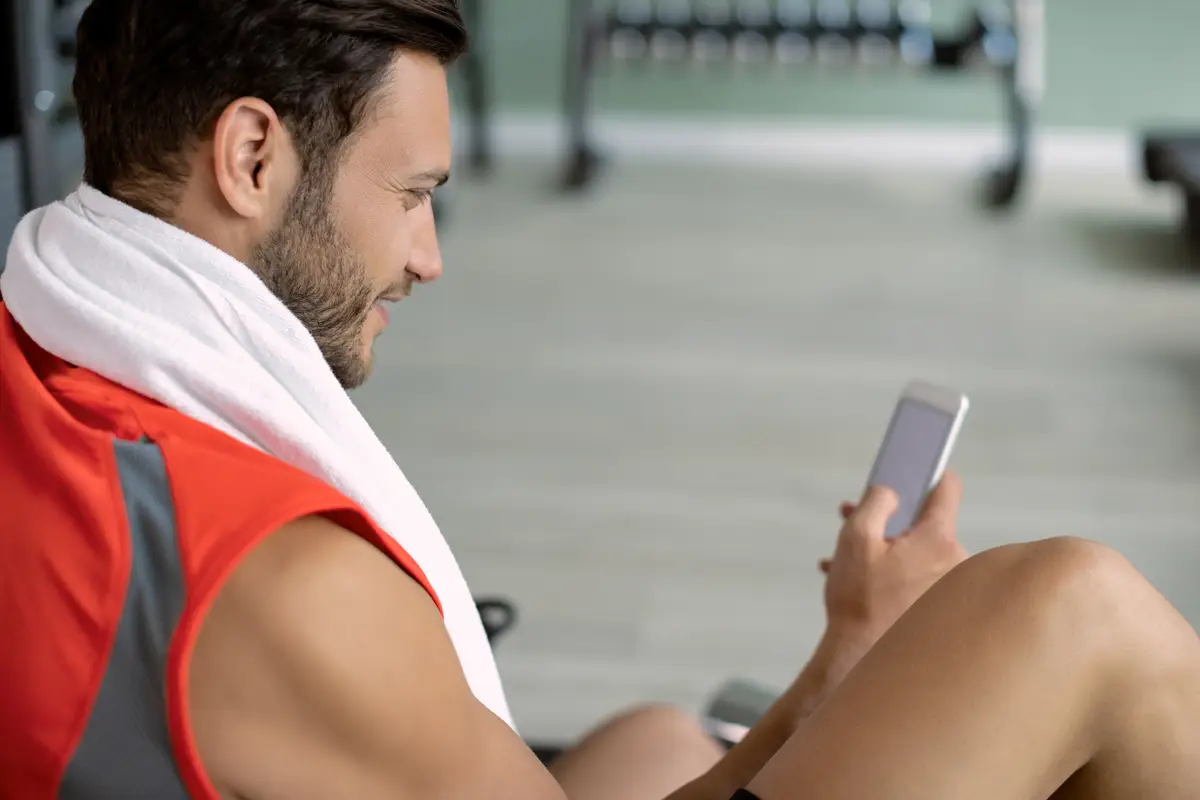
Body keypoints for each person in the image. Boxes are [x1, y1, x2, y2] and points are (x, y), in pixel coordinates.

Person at [0, 2, 1196, 799]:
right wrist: (854, 672)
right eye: (413, 192)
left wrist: (838, 667)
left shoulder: (44, 363)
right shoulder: (285, 583)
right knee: (1069, 604)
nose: (428, 254)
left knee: (657, 739)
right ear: (252, 157)